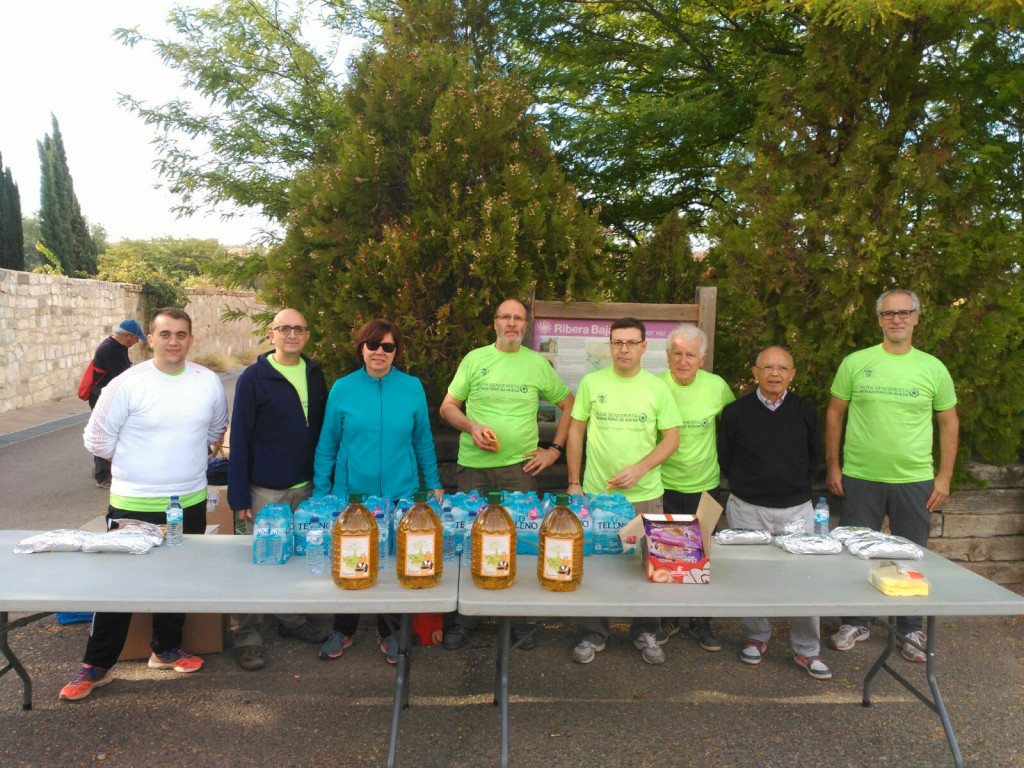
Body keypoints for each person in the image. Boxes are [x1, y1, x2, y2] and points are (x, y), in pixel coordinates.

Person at [61, 307, 228, 701]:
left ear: (191, 338)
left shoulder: (207, 382)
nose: (174, 341)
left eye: (181, 334)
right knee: (118, 587)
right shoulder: (128, 382)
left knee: (176, 581)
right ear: (150, 339)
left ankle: (165, 649)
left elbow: (216, 429)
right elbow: (97, 440)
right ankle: (97, 665)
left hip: (188, 501)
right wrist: (140, 465)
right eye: (165, 334)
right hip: (133, 503)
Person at [825, 288, 959, 662]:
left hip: (914, 480)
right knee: (854, 553)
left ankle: (910, 627)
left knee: (911, 556)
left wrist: (944, 476)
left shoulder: (933, 368)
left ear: (916, 317)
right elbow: (835, 415)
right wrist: (834, 465)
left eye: (904, 312)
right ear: (879, 319)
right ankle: (854, 621)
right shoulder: (856, 362)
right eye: (888, 313)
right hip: (860, 477)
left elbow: (949, 423)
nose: (896, 319)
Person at [438, 298, 575, 651]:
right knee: (470, 540)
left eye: (518, 318)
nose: (512, 323)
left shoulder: (535, 363)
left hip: (520, 470)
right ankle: (466, 618)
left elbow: (569, 404)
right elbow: (447, 407)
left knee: (522, 542)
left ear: (525, 326)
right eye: (505, 317)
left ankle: (517, 620)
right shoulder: (475, 359)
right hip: (474, 470)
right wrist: (472, 426)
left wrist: (554, 451)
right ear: (495, 323)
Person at [313, 319, 443, 664]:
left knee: (389, 565)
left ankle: (388, 633)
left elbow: (423, 442)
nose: (379, 352)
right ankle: (344, 628)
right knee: (349, 562)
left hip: (401, 495)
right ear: (362, 349)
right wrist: (323, 491)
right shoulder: (342, 388)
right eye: (373, 345)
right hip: (351, 496)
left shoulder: (412, 387)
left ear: (396, 352)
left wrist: (433, 485)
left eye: (388, 347)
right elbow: (328, 443)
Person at [566, 317, 681, 665]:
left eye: (632, 342)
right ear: (610, 346)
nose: (624, 349)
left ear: (645, 347)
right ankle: (592, 632)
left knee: (647, 564)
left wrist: (640, 468)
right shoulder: (591, 382)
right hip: (597, 494)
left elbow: (672, 439)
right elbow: (576, 432)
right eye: (618, 342)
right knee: (596, 564)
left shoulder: (658, 388)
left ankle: (645, 630)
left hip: (645, 494)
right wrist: (573, 482)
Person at [718, 346, 831, 680]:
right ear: (754, 372)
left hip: (796, 509)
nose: (775, 373)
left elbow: (815, 457)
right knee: (749, 577)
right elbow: (726, 457)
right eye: (767, 367)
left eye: (783, 368)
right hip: (748, 508)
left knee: (805, 580)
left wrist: (789, 485)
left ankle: (807, 650)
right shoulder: (735, 411)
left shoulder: (806, 411)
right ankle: (756, 635)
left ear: (792, 374)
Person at [227, 308, 330, 671]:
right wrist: (238, 496)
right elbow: (239, 438)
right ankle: (248, 637)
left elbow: (322, 432)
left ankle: (292, 622)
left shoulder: (315, 375)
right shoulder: (254, 377)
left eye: (299, 329)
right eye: (284, 328)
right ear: (271, 334)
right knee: (260, 563)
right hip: (265, 490)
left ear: (307, 336)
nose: (291, 334)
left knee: (298, 557)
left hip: (307, 487)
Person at [656, 324, 734, 653]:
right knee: (667, 555)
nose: (683, 361)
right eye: (677, 353)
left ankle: (701, 620)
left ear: (702, 358)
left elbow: (733, 428)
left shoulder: (716, 387)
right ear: (667, 356)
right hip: (663, 484)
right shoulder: (654, 386)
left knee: (702, 556)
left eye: (690, 355)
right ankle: (669, 618)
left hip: (704, 484)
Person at [86, 319, 147, 488]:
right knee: (105, 433)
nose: (136, 342)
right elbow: (121, 376)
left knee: (116, 433)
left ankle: (108, 471)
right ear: (127, 336)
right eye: (135, 338)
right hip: (102, 397)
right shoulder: (109, 349)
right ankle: (102, 476)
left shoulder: (118, 347)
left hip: (108, 396)